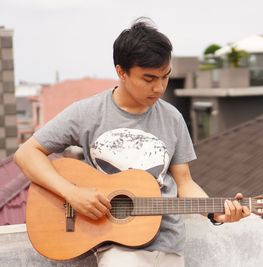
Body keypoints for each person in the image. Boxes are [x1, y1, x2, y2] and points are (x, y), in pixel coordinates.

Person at [14, 17, 250, 267]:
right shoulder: (87, 112)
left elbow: (185, 183)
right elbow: (26, 154)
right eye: (149, 79)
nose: (159, 88)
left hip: (170, 245)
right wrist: (72, 193)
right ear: (121, 72)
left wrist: (216, 213)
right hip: (118, 248)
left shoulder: (172, 118)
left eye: (165, 76)